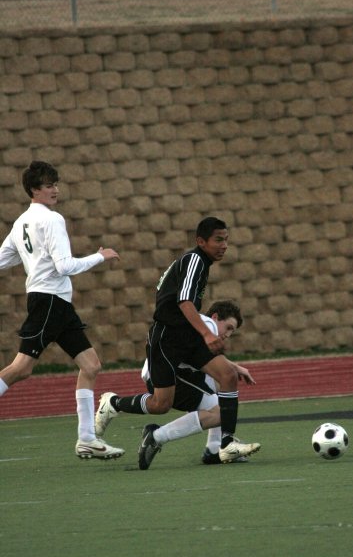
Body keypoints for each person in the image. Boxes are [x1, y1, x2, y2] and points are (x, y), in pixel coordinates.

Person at [97, 217, 255, 467]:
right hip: (167, 337)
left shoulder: (202, 264)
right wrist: (206, 334)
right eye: (218, 240)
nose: (224, 245)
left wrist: (228, 360)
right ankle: (113, 403)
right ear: (200, 241)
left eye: (226, 240)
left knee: (227, 375)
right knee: (161, 404)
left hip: (186, 336)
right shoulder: (195, 260)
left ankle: (226, 444)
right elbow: (184, 302)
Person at [0, 160, 124, 460]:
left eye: (55, 183)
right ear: (34, 189)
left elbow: (5, 259)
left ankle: (86, 439)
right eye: (48, 185)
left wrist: (34, 262)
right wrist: (99, 256)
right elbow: (64, 266)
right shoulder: (52, 219)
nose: (55, 189)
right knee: (21, 369)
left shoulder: (21, 223)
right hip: (49, 302)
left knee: (91, 366)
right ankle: (87, 438)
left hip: (56, 303)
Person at [95, 300, 261, 466]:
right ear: (215, 317)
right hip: (170, 376)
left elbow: (203, 357)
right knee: (220, 406)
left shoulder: (201, 328)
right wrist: (233, 369)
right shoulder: (207, 324)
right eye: (229, 327)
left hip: (171, 374)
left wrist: (234, 368)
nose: (228, 335)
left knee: (219, 396)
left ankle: (213, 449)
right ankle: (155, 435)